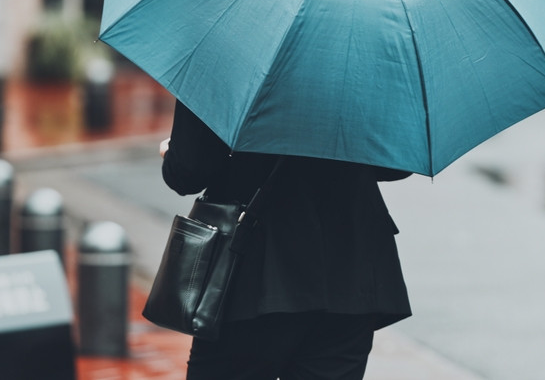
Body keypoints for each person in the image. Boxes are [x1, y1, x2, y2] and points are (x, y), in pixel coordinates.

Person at [159, 100, 412, 380]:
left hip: (251, 269)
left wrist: (172, 153)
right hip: (351, 268)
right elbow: (397, 162)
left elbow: (189, 170)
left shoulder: (222, 72)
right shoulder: (372, 74)